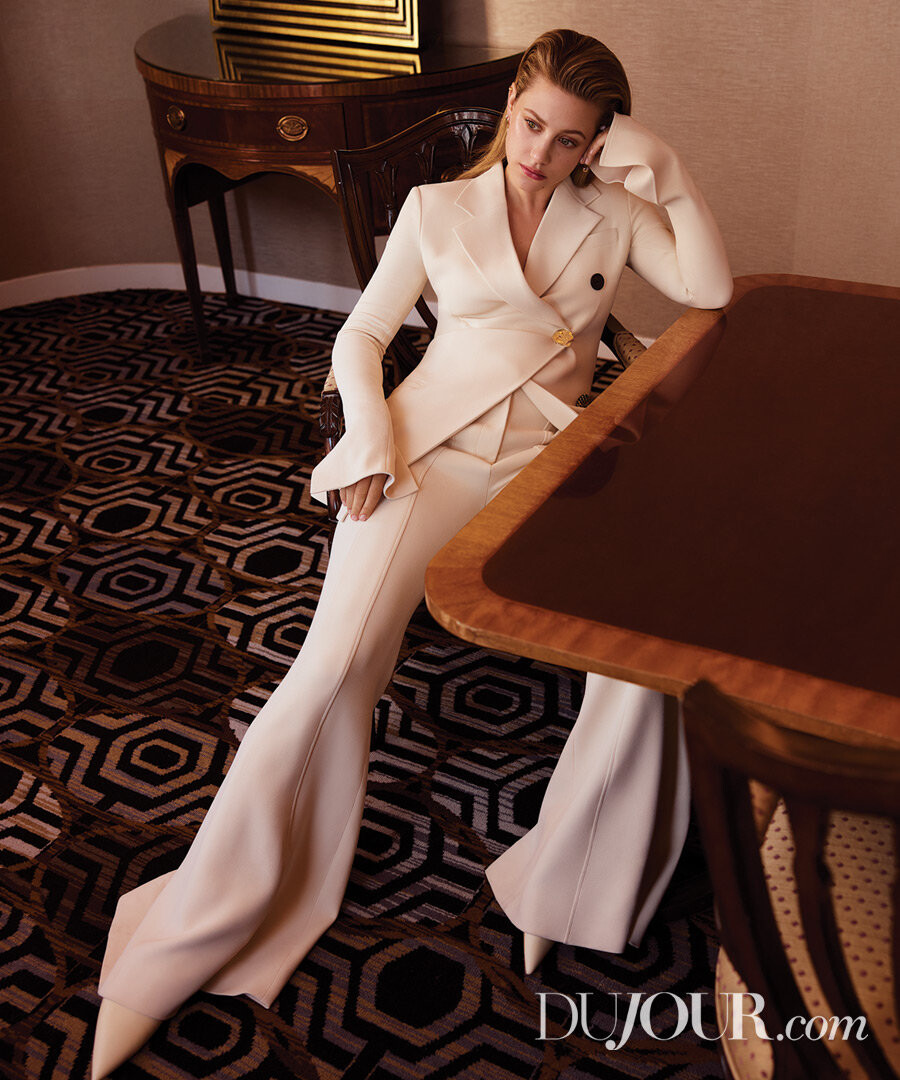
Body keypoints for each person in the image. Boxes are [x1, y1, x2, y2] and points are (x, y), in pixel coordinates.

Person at [91, 28, 732, 1079]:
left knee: (637, 644)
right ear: (511, 104)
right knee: (331, 667)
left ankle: (570, 887)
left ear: (597, 144)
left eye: (571, 141)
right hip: (427, 449)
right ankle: (193, 931)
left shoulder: (615, 212)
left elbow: (708, 292)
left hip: (554, 466)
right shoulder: (436, 209)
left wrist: (665, 168)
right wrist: (370, 438)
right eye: (532, 125)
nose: (540, 154)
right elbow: (361, 336)